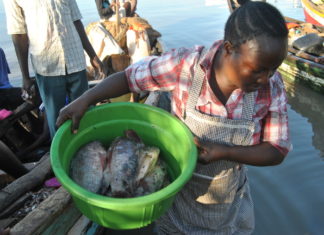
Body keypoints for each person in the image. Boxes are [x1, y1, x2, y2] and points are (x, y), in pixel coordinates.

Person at [56, 0, 292, 233]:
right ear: (229, 49)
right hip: (175, 196)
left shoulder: (272, 87)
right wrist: (85, 100)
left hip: (227, 202)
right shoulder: (185, 67)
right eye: (258, 69)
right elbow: (129, 79)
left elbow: (276, 149)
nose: (266, 78)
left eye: (273, 69)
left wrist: (226, 152)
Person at [3, 0, 105, 138]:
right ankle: (61, 155)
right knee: (56, 120)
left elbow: (76, 21)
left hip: (75, 60)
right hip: (47, 67)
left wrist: (93, 56)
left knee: (85, 113)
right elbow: (19, 34)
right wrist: (25, 76)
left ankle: (91, 146)